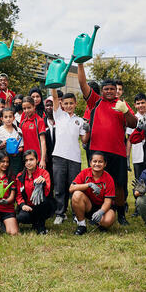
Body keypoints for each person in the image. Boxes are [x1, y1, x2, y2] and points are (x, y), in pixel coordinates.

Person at [77, 63, 137, 225]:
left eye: (112, 89)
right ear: (102, 90)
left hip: (117, 152)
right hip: (97, 151)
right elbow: (83, 84)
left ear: (116, 90)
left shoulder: (122, 105)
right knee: (96, 182)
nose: (109, 91)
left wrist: (125, 111)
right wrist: (80, 64)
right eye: (106, 89)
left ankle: (121, 214)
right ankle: (93, 210)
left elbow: (133, 124)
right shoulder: (95, 102)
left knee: (118, 185)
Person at [50, 90, 89, 225]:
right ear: (61, 104)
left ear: (75, 104)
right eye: (65, 103)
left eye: (71, 103)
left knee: (74, 187)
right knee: (59, 187)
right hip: (59, 156)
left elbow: (84, 140)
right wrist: (54, 86)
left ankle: (75, 213)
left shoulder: (80, 120)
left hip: (74, 158)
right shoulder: (59, 115)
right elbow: (54, 97)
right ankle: (60, 213)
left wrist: (87, 129)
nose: (68, 106)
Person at [70, 152, 116, 235]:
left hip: (104, 207)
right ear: (90, 163)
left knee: (107, 221)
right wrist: (89, 185)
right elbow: (71, 188)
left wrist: (101, 212)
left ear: (105, 164)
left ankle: (99, 222)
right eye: (95, 161)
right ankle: (81, 225)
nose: (97, 164)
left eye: (100, 162)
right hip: (89, 205)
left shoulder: (109, 178)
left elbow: (108, 201)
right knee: (76, 194)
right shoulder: (85, 173)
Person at [15, 150, 52, 234]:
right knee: (21, 217)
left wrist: (43, 183)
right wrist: (22, 205)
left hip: (41, 206)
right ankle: (34, 222)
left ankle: (41, 226)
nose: (29, 163)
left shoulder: (44, 173)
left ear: (37, 160)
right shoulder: (20, 176)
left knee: (44, 202)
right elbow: (18, 195)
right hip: (28, 207)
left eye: (31, 159)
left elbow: (47, 192)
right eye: (26, 160)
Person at [127, 93, 146, 180]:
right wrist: (127, 157)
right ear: (134, 105)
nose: (140, 105)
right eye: (138, 103)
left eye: (142, 103)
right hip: (137, 156)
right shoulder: (132, 119)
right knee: (139, 181)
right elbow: (129, 140)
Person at [19, 96, 47, 170]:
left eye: (29, 107)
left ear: (34, 106)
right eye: (24, 109)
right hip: (25, 158)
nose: (26, 110)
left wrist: (42, 159)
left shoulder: (39, 121)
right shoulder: (22, 122)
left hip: (37, 158)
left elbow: (43, 141)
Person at [0, 107, 24, 175]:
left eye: (10, 117)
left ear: (14, 118)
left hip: (15, 159)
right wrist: (2, 145)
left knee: (15, 177)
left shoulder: (18, 130)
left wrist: (16, 151)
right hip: (3, 160)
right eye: (6, 117)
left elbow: (21, 146)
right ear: (2, 119)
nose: (8, 119)